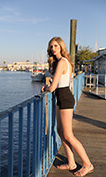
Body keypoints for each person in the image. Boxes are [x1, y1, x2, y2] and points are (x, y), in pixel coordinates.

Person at [41, 37, 94, 177]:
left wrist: (46, 87)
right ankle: (71, 163)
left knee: (69, 135)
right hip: (61, 97)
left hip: (64, 97)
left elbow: (52, 87)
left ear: (61, 47)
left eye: (56, 46)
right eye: (51, 46)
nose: (53, 48)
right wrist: (51, 86)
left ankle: (87, 164)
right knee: (60, 130)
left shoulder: (62, 62)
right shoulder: (60, 61)